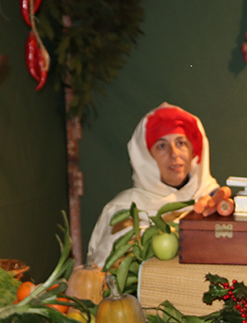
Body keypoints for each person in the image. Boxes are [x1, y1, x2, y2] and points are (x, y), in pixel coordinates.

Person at [87, 103, 220, 267]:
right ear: (146, 157)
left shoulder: (212, 201)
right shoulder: (125, 209)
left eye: (181, 143)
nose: (174, 154)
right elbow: (104, 272)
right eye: (162, 146)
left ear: (194, 151)